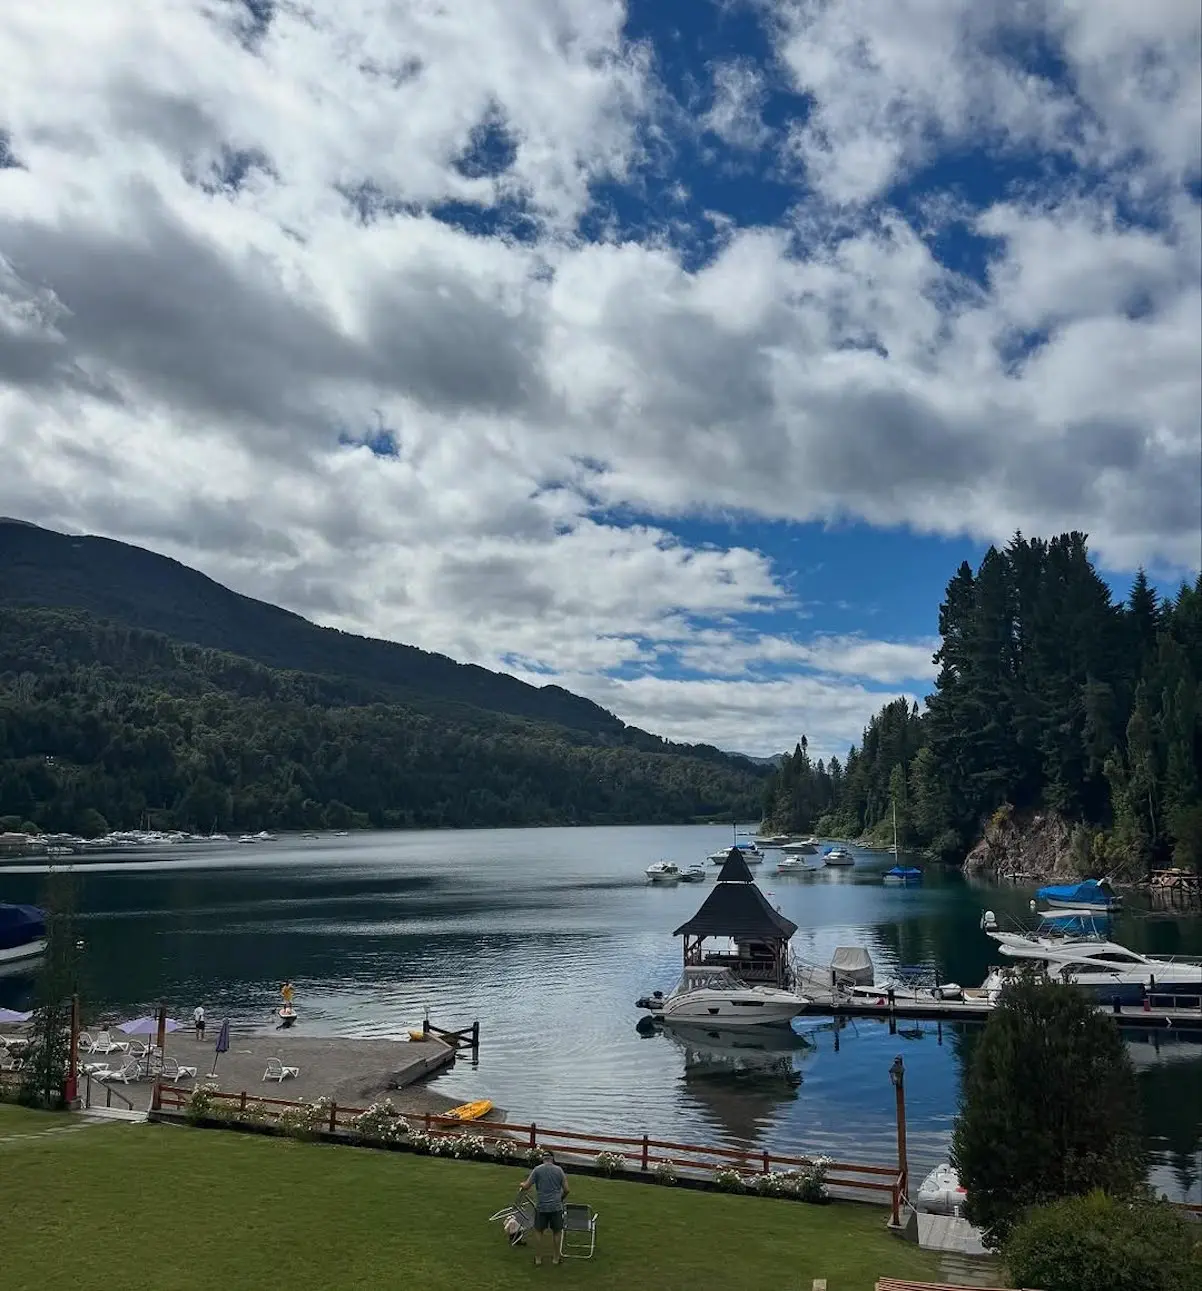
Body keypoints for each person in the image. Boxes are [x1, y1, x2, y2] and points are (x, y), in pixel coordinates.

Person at [520, 1149, 569, 1267]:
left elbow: (526, 1186)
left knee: (538, 1231)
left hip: (541, 1206)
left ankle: (538, 1259)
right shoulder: (559, 1170)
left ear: (543, 1159)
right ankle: (556, 1258)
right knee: (557, 1232)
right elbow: (567, 1190)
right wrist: (560, 1199)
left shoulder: (537, 1170)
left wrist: (521, 1184)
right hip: (556, 1207)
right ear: (552, 1159)